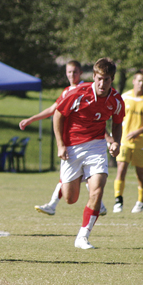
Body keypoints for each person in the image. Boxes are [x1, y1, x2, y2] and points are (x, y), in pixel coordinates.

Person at [53, 57, 124, 249]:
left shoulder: (116, 100)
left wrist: (116, 142)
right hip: (72, 148)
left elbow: (117, 123)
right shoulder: (78, 94)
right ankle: (83, 176)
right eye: (99, 79)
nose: (102, 83)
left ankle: (82, 236)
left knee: (98, 190)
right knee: (70, 198)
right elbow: (58, 114)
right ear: (93, 77)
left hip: (96, 146)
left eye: (107, 79)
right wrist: (60, 145)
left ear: (112, 80)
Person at [20, 61, 107, 217]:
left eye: (74, 72)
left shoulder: (89, 89)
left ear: (80, 73)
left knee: (85, 174)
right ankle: (96, 203)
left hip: (84, 142)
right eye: (68, 72)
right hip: (70, 140)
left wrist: (109, 138)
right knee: (74, 178)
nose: (71, 75)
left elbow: (97, 117)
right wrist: (31, 119)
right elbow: (54, 110)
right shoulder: (68, 91)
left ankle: (56, 205)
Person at [113, 70, 143, 213]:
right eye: (139, 81)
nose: (141, 84)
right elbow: (117, 118)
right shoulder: (125, 97)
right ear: (133, 81)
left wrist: (137, 131)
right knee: (121, 170)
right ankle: (118, 200)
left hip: (142, 143)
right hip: (125, 141)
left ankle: (141, 200)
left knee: (140, 175)